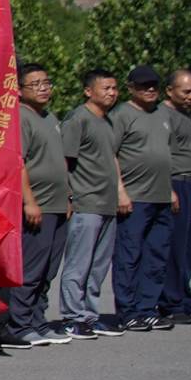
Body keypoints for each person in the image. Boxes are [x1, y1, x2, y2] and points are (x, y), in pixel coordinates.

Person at [57, 68, 126, 335]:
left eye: (114, 88)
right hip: (86, 203)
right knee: (79, 263)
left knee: (98, 265)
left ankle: (89, 315)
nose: (111, 93)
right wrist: (68, 197)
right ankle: (72, 317)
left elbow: (111, 158)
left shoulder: (107, 121)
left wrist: (120, 190)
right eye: (105, 88)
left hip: (106, 203)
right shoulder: (78, 119)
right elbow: (64, 161)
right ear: (88, 91)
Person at [110, 66, 180, 331]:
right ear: (131, 88)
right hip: (134, 198)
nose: (150, 90)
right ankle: (127, 311)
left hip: (161, 197)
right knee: (129, 255)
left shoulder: (163, 114)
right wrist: (120, 191)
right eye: (143, 85)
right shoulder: (122, 115)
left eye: (154, 85)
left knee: (156, 255)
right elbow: (111, 154)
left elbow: (164, 154)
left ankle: (147, 308)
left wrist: (170, 189)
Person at [10, 63, 74, 346]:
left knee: (48, 270)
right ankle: (19, 325)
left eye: (46, 82)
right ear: (20, 90)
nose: (43, 88)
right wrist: (29, 202)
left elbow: (59, 162)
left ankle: (38, 320)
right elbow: (17, 163)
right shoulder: (21, 118)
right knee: (31, 269)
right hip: (38, 205)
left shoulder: (50, 117)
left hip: (57, 205)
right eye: (35, 84)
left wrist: (68, 196)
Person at [161, 69, 191, 327]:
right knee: (175, 247)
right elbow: (160, 155)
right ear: (170, 90)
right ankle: (171, 302)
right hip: (176, 184)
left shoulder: (184, 115)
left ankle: (184, 300)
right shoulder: (163, 116)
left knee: (189, 246)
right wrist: (168, 189)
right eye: (187, 91)